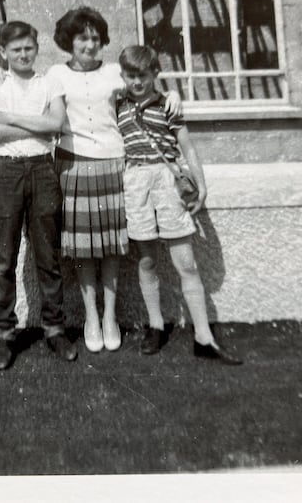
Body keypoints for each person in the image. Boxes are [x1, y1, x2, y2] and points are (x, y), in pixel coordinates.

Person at [46, 7, 181, 353]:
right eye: (82, 38)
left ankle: (110, 317)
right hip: (73, 167)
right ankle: (92, 316)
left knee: (110, 247)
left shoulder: (114, 74)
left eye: (95, 37)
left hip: (112, 164)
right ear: (69, 42)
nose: (90, 44)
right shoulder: (56, 74)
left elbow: (145, 87)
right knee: (83, 249)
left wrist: (173, 96)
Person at [115, 44, 242, 365]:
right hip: (135, 180)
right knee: (146, 260)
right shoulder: (116, 102)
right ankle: (156, 326)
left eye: (143, 75)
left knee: (185, 261)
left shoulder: (168, 105)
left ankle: (203, 336)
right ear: (123, 76)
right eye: (131, 76)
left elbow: (187, 146)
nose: (137, 82)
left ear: (155, 74)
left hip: (167, 181)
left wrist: (201, 185)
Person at [0, 20, 78, 370]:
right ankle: (5, 334)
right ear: (3, 52)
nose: (23, 54)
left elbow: (56, 125)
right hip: (5, 172)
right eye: (15, 49)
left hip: (42, 170)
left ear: (37, 49)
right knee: (3, 259)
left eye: (29, 48)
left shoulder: (48, 81)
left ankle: (54, 329)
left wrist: (12, 118)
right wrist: (32, 121)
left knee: (48, 257)